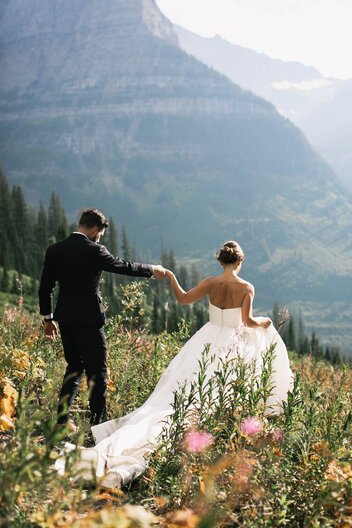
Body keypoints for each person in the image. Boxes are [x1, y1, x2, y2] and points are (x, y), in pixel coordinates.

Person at [55, 240, 293, 487]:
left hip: (208, 339)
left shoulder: (210, 283)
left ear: (220, 260)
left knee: (188, 385)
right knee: (221, 387)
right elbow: (247, 321)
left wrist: (171, 277)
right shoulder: (246, 287)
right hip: (231, 343)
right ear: (240, 261)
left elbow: (182, 299)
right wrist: (264, 322)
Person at [38, 207, 166, 429]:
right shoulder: (95, 250)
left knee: (74, 367)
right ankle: (99, 424)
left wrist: (48, 320)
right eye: (100, 234)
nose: (99, 238)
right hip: (89, 320)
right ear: (95, 229)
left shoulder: (54, 250)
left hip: (65, 319)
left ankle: (61, 420)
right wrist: (151, 269)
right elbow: (123, 266)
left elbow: (44, 289)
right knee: (98, 371)